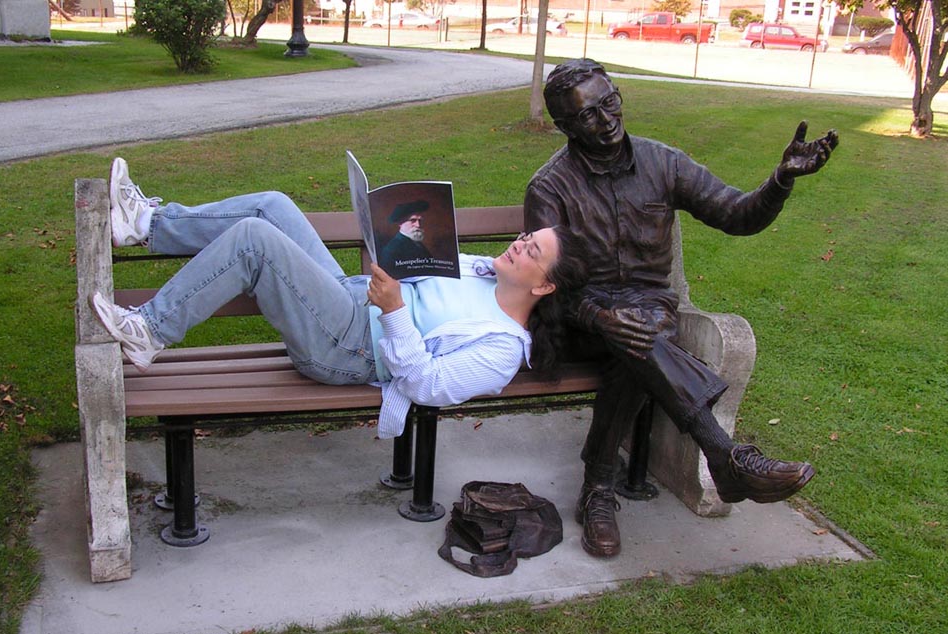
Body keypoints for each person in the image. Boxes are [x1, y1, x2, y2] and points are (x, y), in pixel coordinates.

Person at [525, 59, 839, 558]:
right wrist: (600, 317)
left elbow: (735, 214)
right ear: (564, 126)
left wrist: (780, 180)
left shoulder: (663, 163)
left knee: (639, 339)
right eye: (589, 115)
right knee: (631, 338)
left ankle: (598, 491)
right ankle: (724, 454)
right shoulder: (549, 188)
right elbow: (547, 285)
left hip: (649, 313)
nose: (608, 119)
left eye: (611, 102)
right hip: (580, 320)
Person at [95, 158, 588, 440]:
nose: (520, 242)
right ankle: (144, 224)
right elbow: (412, 272)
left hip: (350, 348)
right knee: (273, 206)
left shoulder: (502, 349)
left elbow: (426, 384)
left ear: (544, 286)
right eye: (526, 235)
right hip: (349, 302)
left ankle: (149, 331)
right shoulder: (480, 270)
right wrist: (393, 239)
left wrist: (394, 311)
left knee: (253, 239)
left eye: (532, 249)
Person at [378, 200, 434, 271]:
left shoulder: (417, 244)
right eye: (413, 220)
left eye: (420, 221)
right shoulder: (392, 249)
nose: (418, 225)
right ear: (400, 223)